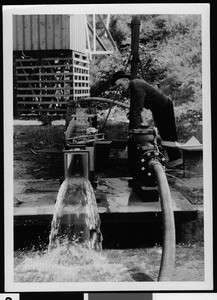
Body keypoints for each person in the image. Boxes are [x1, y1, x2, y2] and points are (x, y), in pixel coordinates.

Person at [111, 70, 183, 168]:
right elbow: (133, 111)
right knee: (163, 134)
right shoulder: (133, 86)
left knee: (168, 134)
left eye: (120, 85)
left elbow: (137, 111)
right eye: (117, 87)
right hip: (157, 109)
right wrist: (131, 133)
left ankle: (177, 160)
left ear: (126, 80)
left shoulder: (136, 86)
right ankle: (174, 159)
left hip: (165, 107)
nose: (120, 89)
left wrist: (133, 135)